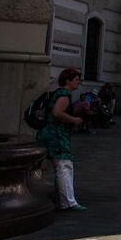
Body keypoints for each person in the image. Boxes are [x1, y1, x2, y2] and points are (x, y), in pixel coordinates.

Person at [36, 68, 87, 211]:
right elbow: (57, 113)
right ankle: (68, 202)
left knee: (63, 166)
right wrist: (73, 120)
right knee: (64, 166)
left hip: (53, 134)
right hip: (56, 136)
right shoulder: (64, 94)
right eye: (76, 80)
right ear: (68, 81)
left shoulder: (59, 93)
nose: (79, 83)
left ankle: (65, 201)